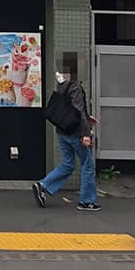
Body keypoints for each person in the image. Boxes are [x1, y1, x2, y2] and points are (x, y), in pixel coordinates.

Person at [32, 70, 100, 212]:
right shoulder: (75, 86)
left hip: (62, 131)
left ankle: (43, 185)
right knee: (87, 164)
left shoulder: (62, 84)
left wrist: (87, 119)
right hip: (75, 133)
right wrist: (86, 133)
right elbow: (78, 110)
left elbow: (70, 110)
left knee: (68, 164)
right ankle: (87, 201)